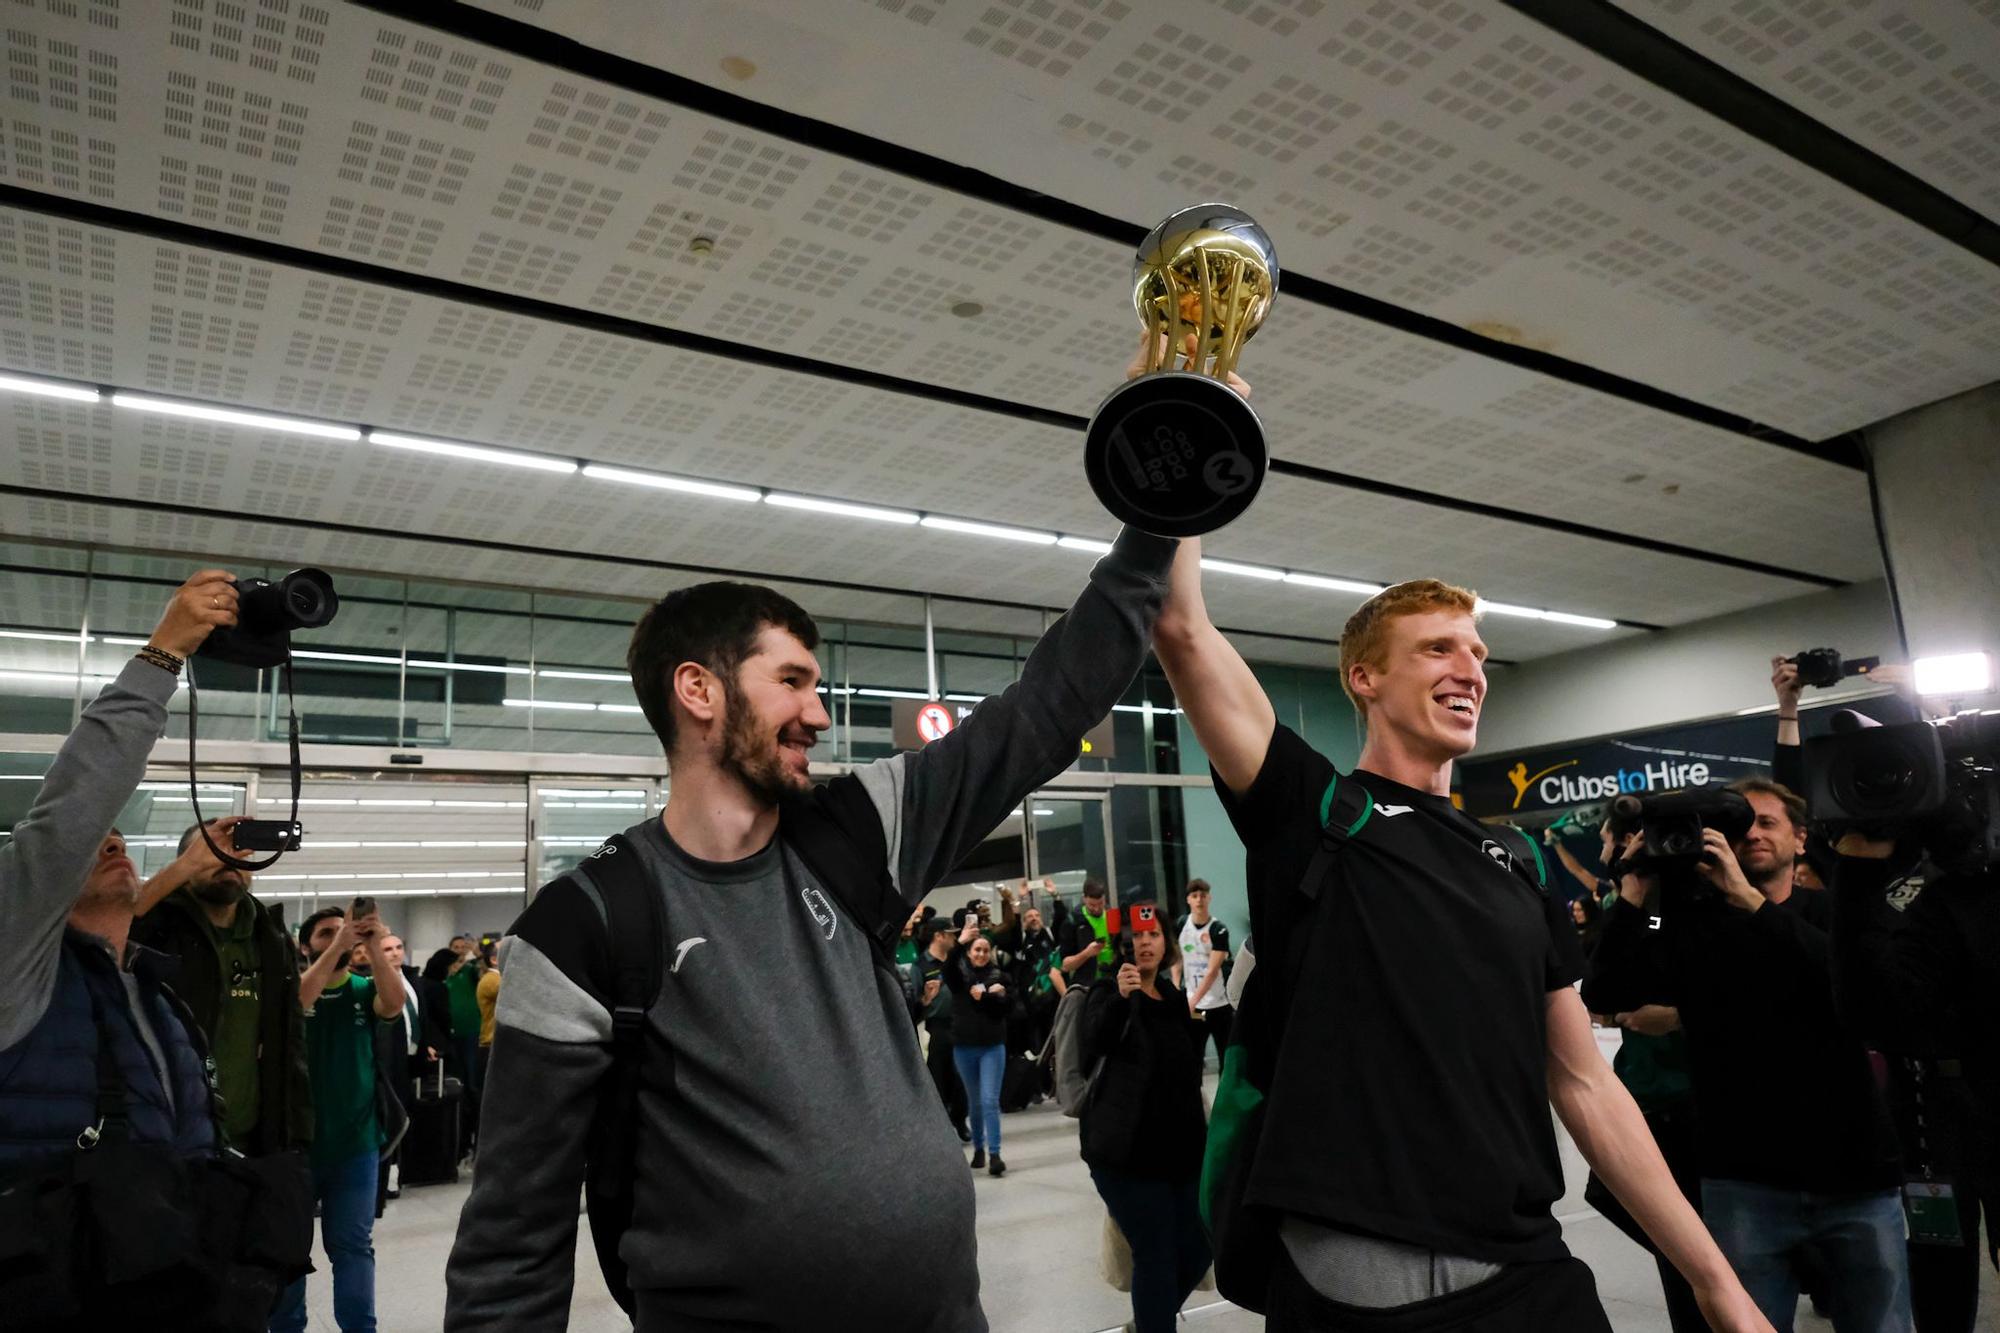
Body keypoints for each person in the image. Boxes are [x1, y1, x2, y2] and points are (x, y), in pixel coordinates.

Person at [444, 521, 1179, 1330]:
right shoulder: (583, 926)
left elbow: (1044, 710)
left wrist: (1151, 531)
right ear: (699, 690)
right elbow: (512, 1246)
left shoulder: (857, 834)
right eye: (791, 681)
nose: (819, 714)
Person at [1151, 527, 1770, 1330]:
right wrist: (1186, 437)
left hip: (1526, 1258)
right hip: (1371, 1272)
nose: (1471, 669)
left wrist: (1713, 1280)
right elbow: (1180, 625)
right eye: (1438, 648)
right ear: (1364, 676)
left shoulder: (1513, 858)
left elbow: (1585, 1083)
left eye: (1477, 652)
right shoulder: (1320, 814)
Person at [1586, 779, 1908, 1330]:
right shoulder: (1691, 923)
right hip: (1742, 1180)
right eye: (1743, 825)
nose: (1753, 834)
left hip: (1855, 1175)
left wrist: (1751, 903)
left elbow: (1847, 986)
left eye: (1769, 823)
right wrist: (1636, 892)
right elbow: (1608, 993)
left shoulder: (1836, 912)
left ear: (1801, 840)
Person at [0, 573, 232, 1311]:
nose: (110, 846)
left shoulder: (151, 992)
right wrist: (163, 654)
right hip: (53, 1285)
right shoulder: (22, 976)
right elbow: (65, 822)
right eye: (94, 845)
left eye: (123, 840)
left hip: (168, 1280)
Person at [1831, 832, 1998, 1332]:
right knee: (1940, 1273)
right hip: (1924, 1106)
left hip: (1983, 1085)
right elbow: (1862, 1007)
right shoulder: (1875, 870)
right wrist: (1864, 856)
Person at [128, 815, 311, 1159]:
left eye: (240, 850)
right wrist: (181, 869)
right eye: (213, 850)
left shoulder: (269, 938)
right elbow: (111, 929)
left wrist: (296, 1137)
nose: (229, 860)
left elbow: (291, 1040)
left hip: (253, 1143)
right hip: (169, 1142)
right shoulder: (155, 926)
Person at [273, 903, 407, 1333]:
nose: (337, 937)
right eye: (325, 933)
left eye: (341, 930)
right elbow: (297, 1004)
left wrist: (370, 940)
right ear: (304, 945)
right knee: (289, 1248)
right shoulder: (291, 988)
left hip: (355, 1145)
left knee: (352, 1247)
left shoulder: (363, 991)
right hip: (294, 1146)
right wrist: (339, 946)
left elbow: (394, 1001)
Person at [1079, 901, 1210, 1333]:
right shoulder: (1107, 992)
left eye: (1153, 935)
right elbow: (1091, 1047)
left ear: (1167, 943)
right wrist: (1120, 997)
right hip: (1126, 1157)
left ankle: (1150, 1320)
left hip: (1180, 1155)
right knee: (1155, 1253)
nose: (1146, 943)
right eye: (1137, 936)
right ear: (1124, 945)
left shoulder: (1173, 999)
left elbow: (1185, 1073)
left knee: (1200, 1244)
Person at [371, 932, 445, 1207]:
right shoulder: (374, 983)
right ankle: (385, 1179)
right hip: (386, 1061)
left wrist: (426, 1044)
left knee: (404, 1116)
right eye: (387, 948)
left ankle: (396, 1175)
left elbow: (419, 1018)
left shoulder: (414, 981)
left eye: (398, 947)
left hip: (409, 1060)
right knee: (389, 1116)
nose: (394, 953)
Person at [946, 924, 1012, 1176]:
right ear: (969, 952)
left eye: (985, 950)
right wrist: (959, 943)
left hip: (992, 1047)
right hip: (964, 1048)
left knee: (989, 1100)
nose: (981, 954)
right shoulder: (959, 977)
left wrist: (996, 996)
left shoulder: (999, 976)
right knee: (974, 1103)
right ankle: (979, 1150)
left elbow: (1008, 1008)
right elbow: (948, 968)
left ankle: (995, 1154)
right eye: (977, 950)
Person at [914, 915, 972, 1141]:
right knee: (939, 1079)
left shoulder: (958, 960)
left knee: (961, 1079)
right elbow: (915, 1003)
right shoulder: (922, 965)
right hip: (936, 1029)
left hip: (959, 1024)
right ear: (939, 936)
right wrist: (926, 999)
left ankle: (960, 1120)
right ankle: (941, 1126)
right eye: (951, 934)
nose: (955, 938)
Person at [1173, 879, 1231, 1071]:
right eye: (1195, 896)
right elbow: (1176, 958)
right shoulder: (1181, 925)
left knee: (1226, 1058)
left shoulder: (1218, 929)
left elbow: (1212, 971)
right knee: (1193, 1057)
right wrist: (1176, 987)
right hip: (1196, 1008)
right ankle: (1196, 1098)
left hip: (1219, 1005)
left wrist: (1191, 1001)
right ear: (1188, 899)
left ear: (1209, 898)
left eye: (1203, 895)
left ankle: (1224, 1100)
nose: (1199, 900)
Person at [1060, 877, 1115, 987]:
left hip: (1113, 980)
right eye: (1092, 905)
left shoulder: (1112, 915)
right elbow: (1065, 965)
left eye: (1100, 904)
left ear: (1105, 898)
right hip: (1086, 985)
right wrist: (1086, 953)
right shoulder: (1072, 922)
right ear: (1084, 899)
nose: (1096, 909)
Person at [475, 943, 501, 1106]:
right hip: (492, 1045)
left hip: (494, 1044)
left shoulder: (496, 978)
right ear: (494, 960)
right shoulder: (492, 980)